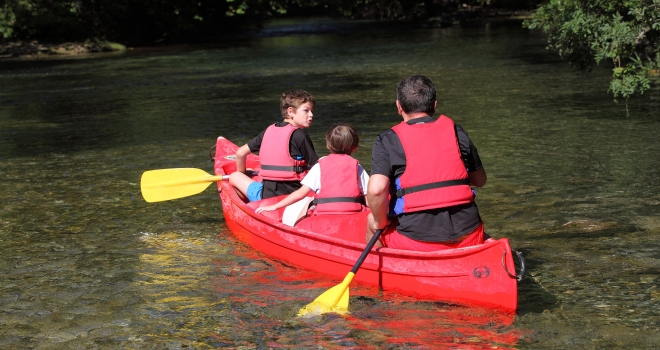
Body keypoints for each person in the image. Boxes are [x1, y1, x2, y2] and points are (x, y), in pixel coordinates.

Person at [366, 75, 488, 251]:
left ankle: (382, 272)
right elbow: (480, 180)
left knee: (372, 221)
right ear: (434, 105)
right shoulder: (457, 131)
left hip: (417, 241)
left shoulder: (387, 140)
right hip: (470, 234)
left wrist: (380, 221)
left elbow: (376, 191)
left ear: (399, 106)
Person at [255, 122, 369, 216]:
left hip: (323, 213)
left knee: (308, 201)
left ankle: (295, 227)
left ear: (328, 145)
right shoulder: (357, 168)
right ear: (355, 148)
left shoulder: (319, 166)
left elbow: (300, 194)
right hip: (353, 212)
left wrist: (275, 206)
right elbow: (368, 198)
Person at [229, 89, 319, 202]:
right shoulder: (300, 135)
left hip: (266, 196)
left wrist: (243, 173)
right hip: (293, 197)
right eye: (306, 110)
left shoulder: (269, 131)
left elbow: (240, 153)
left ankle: (247, 202)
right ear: (290, 111)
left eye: (311, 111)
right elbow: (318, 167)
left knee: (235, 176)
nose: (311, 115)